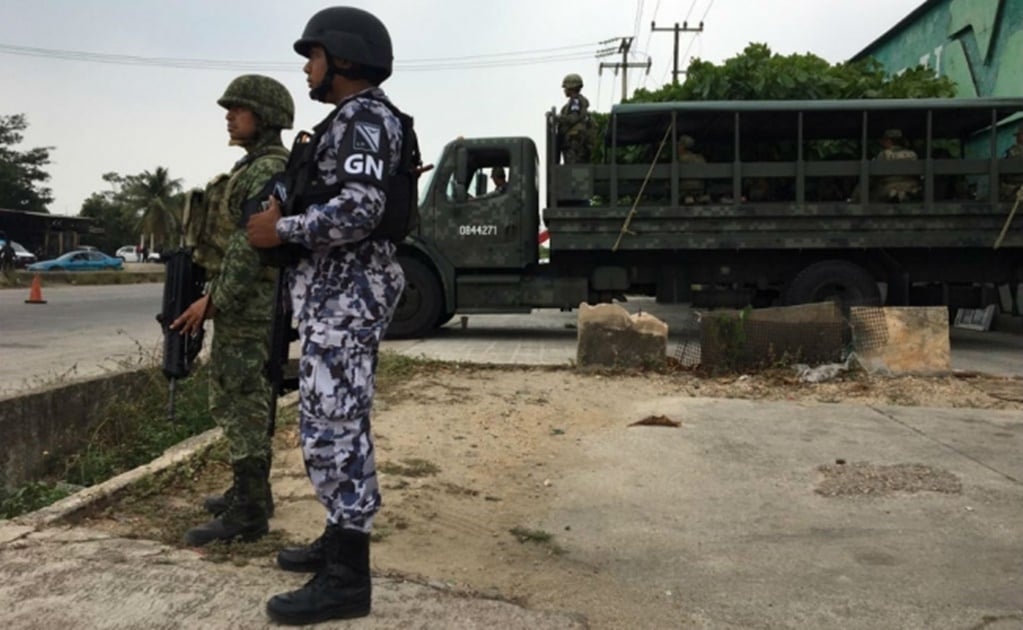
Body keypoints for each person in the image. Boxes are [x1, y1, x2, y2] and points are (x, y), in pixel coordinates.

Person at [245, 6, 406, 624]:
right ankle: (339, 541)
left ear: (341, 59)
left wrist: (278, 228)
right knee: (336, 424)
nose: (308, 70)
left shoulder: (364, 119)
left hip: (348, 298)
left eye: (312, 57)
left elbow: (360, 210)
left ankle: (347, 580)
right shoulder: (347, 122)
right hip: (335, 298)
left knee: (331, 432)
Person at [170, 74, 294, 547]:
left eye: (238, 108)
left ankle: (248, 512)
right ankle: (252, 495)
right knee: (241, 397)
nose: (229, 115)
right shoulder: (254, 167)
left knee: (242, 400)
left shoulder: (266, 170)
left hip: (249, 304)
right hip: (246, 302)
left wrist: (213, 300)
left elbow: (249, 247)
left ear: (265, 117)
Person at [872, 128, 921, 202]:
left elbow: (877, 175)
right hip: (910, 187)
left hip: (888, 187)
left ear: (889, 141)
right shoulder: (912, 154)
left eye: (885, 140)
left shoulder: (884, 154)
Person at [556, 73, 593, 164]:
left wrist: (558, 118)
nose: (564, 90)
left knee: (572, 170)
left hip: (574, 143)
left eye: (565, 88)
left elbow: (573, 118)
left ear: (571, 87)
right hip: (573, 143)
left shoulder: (575, 101)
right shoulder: (573, 102)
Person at [677, 134, 708, 204]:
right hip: (700, 190)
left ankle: (688, 196)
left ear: (682, 147)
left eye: (679, 145)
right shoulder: (700, 158)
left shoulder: (681, 160)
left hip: (685, 191)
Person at [1000, 123, 1023, 201]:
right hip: (1015, 190)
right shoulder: (1010, 152)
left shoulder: (1010, 151)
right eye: (1020, 135)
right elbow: (1002, 176)